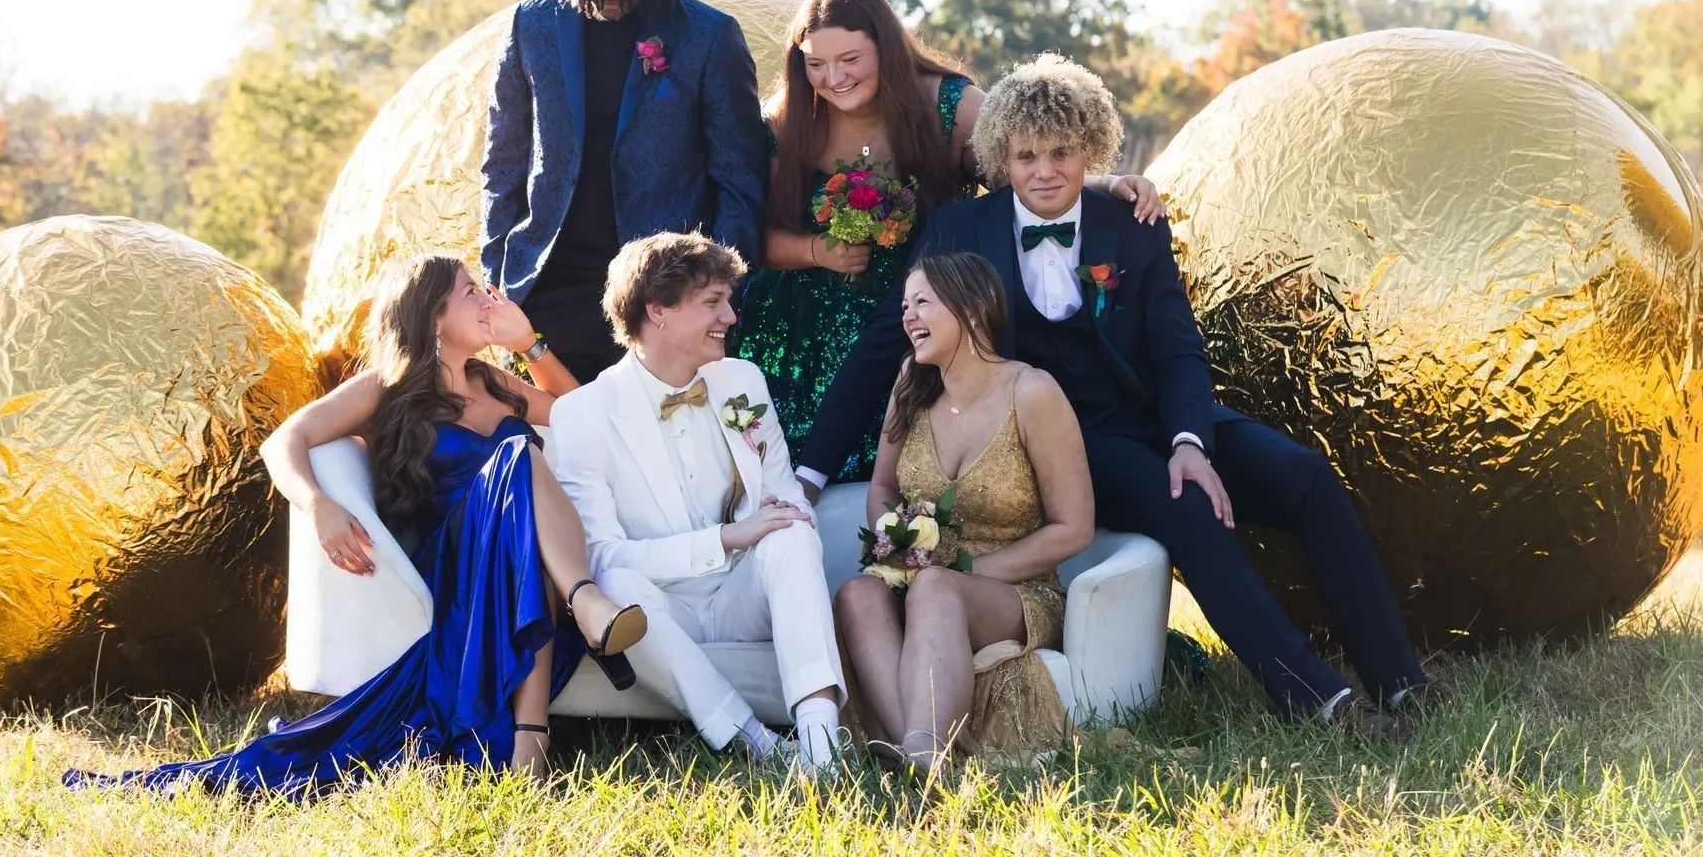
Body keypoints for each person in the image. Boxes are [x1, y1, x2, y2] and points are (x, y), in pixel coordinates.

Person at [802, 54, 1434, 731]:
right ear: (1001, 158)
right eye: (1026, 156)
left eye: (1062, 153)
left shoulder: (1130, 221)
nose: (1044, 171)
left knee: (1303, 476)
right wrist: (808, 471)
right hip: (1058, 439)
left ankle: (1401, 682)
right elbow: (883, 344)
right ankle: (1319, 701)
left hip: (1154, 415)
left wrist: (1190, 439)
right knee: (1186, 505)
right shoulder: (961, 232)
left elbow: (1175, 344)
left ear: (1090, 151)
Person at [66, 256, 647, 795]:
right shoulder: (387, 387)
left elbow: (583, 418)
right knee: (519, 458)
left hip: (525, 557)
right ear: (432, 318)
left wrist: (529, 344)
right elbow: (284, 441)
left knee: (523, 466)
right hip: (456, 565)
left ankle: (530, 735)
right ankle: (585, 604)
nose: (487, 298)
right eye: (470, 292)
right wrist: (318, 503)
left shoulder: (494, 382)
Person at [736, 0, 1164, 486]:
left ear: (885, 47)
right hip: (798, 320)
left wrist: (1106, 182)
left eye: (850, 59)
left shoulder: (951, 107)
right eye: (815, 63)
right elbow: (745, 240)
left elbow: (1029, 173)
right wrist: (816, 250)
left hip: (920, 312)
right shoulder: (787, 121)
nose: (834, 77)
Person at [549, 232, 848, 772]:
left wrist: (768, 527)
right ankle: (754, 741)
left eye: (727, 301)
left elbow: (781, 497)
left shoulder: (742, 382)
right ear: (657, 310)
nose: (731, 317)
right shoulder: (582, 414)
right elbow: (600, 558)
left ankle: (822, 744)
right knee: (615, 588)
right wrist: (723, 539)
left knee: (793, 529)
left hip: (742, 594)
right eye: (713, 302)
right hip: (662, 608)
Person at [483, 0, 768, 383]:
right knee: (560, 446)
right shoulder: (531, 25)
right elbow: (504, 160)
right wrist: (497, 273)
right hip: (549, 286)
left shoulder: (709, 35)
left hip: (663, 296)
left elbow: (740, 181)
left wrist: (713, 294)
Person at [835, 252, 1094, 772]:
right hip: (923, 579)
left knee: (936, 588)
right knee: (858, 593)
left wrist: (959, 572)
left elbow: (1075, 528)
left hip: (1015, 591)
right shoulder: (911, 383)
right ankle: (920, 757)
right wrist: (898, 544)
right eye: (905, 305)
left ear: (973, 308)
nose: (908, 317)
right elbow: (882, 486)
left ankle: (923, 758)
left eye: (922, 303)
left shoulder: (1032, 391)